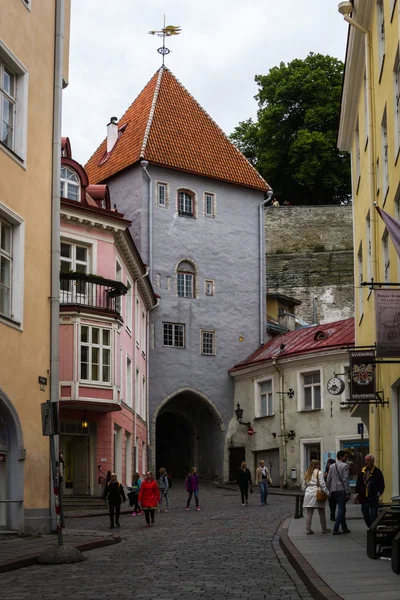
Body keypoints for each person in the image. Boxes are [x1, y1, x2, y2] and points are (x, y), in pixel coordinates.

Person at [301, 459, 332, 535]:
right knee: (321, 512)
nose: (319, 465)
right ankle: (324, 528)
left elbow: (303, 487)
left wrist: (308, 489)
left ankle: (308, 529)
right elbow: (322, 484)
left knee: (309, 513)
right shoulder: (319, 472)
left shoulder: (307, 473)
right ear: (316, 465)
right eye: (318, 464)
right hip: (317, 492)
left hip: (309, 493)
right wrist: (327, 493)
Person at [355, 454, 385, 528]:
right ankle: (371, 528)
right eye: (365, 460)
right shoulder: (362, 471)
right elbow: (358, 483)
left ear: (372, 461)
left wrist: (379, 493)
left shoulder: (377, 471)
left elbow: (382, 484)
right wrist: (357, 495)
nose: (366, 462)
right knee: (365, 514)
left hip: (373, 497)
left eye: (368, 460)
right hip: (364, 497)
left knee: (373, 515)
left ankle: (372, 529)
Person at [326, 450, 351, 535]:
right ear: (341, 457)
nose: (346, 458)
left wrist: (328, 490)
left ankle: (344, 527)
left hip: (333, 490)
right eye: (345, 456)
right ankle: (336, 528)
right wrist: (347, 492)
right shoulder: (345, 466)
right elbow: (345, 479)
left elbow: (329, 478)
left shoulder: (332, 466)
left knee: (342, 508)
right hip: (341, 489)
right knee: (341, 508)